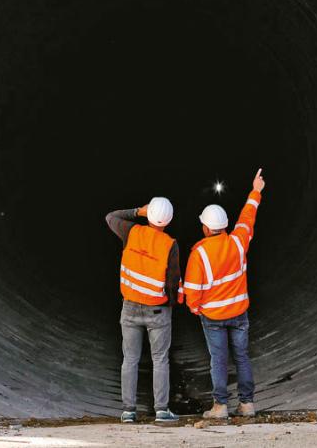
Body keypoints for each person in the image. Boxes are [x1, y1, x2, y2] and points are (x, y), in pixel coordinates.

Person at [183, 168, 265, 420]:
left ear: (206, 228)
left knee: (218, 360)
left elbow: (192, 291)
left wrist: (195, 308)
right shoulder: (238, 241)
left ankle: (220, 407)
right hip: (239, 313)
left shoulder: (200, 253)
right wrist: (256, 191)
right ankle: (247, 404)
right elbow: (247, 218)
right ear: (225, 226)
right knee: (241, 356)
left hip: (214, 317)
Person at [105, 197, 181, 424]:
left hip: (130, 307)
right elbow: (173, 282)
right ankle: (161, 411)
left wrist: (138, 211)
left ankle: (128, 411)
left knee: (130, 359)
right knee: (160, 359)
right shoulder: (170, 244)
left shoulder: (132, 232)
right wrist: (170, 304)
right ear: (168, 220)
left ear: (149, 215)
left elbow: (110, 217)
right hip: (157, 310)